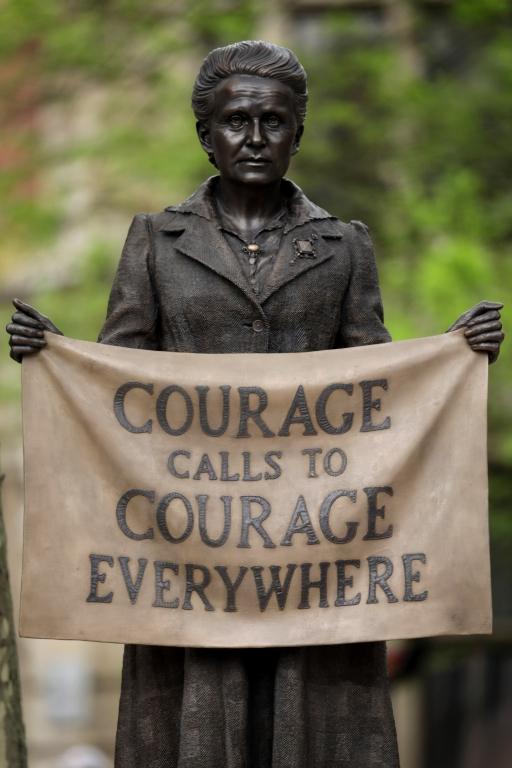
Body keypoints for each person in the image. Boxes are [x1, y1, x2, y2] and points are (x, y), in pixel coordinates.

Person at [7, 40, 504, 768]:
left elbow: (384, 391)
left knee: (314, 725)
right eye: (236, 121)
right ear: (205, 135)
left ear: (297, 132)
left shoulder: (343, 246)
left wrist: (455, 355)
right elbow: (117, 383)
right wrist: (57, 359)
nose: (255, 138)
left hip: (316, 560)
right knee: (198, 728)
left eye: (274, 122)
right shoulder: (155, 242)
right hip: (189, 561)